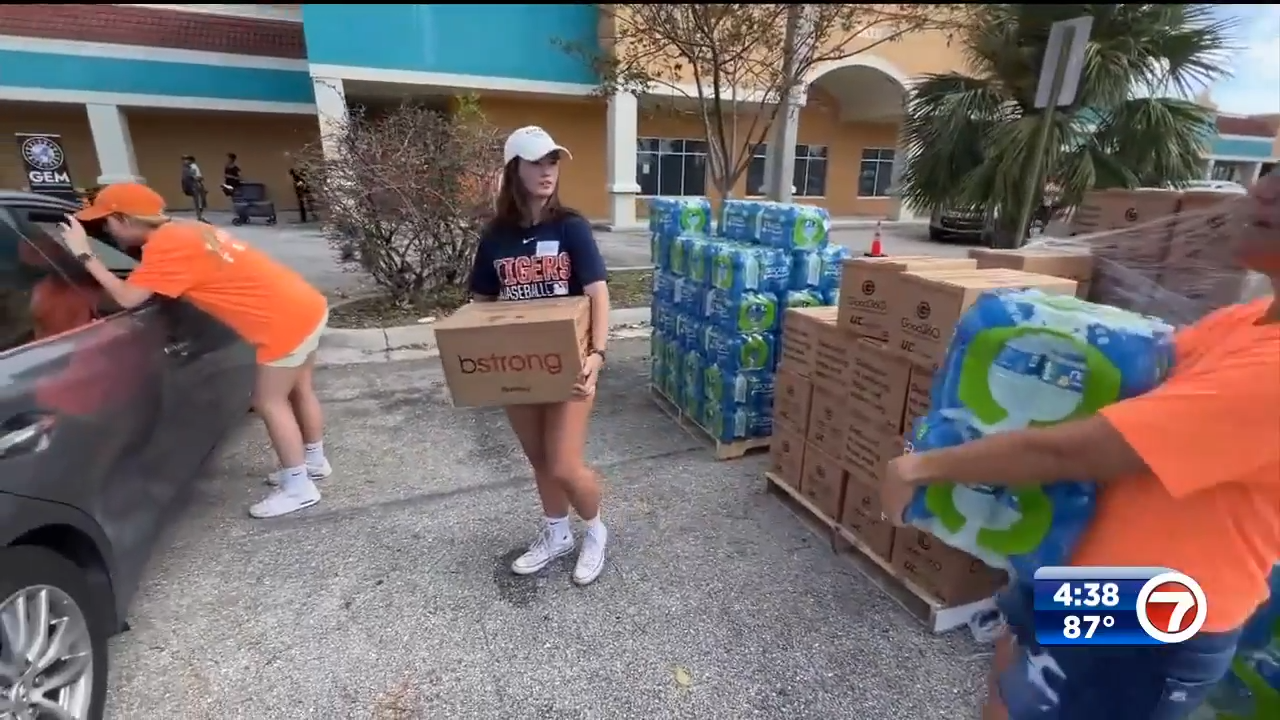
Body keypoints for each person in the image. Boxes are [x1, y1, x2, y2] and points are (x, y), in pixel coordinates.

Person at [879, 172, 1280, 720]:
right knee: (1012, 684)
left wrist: (922, 468)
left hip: (1158, 608)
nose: (1266, 191)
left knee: (1042, 698)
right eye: (1274, 174)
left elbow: (1077, 451)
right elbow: (1126, 376)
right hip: (1092, 577)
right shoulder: (1246, 322)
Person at [57, 182, 336, 519]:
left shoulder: (164, 247)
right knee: (299, 390)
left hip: (281, 325)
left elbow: (128, 298)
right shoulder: (188, 229)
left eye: (107, 223)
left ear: (124, 218)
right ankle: (314, 462)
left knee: (268, 401)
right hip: (305, 306)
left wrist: (84, 253)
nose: (107, 231)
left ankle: (299, 487)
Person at [468, 126, 611, 585]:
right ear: (515, 169)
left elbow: (598, 294)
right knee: (541, 461)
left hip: (572, 361)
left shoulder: (570, 226)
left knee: (566, 463)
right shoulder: (495, 236)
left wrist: (599, 354)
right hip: (518, 363)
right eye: (537, 162)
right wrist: (482, 355)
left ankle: (595, 530)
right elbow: (482, 304)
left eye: (553, 161)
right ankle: (557, 534)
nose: (547, 170)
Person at [181, 156, 208, 223]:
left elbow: (195, 177)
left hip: (195, 185)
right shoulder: (187, 168)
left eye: (186, 160)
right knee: (198, 201)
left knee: (199, 201)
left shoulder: (192, 167)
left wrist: (199, 179)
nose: (184, 161)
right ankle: (199, 216)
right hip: (194, 185)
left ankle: (200, 216)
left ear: (190, 160)